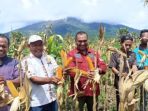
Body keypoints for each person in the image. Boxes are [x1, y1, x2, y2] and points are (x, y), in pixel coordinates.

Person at [67, 31, 107, 111]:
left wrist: (97, 70)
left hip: (93, 91)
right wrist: (85, 74)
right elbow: (70, 70)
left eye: (84, 41)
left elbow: (103, 66)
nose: (82, 43)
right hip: (78, 91)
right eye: (80, 41)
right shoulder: (71, 54)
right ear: (76, 41)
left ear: (87, 40)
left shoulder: (94, 53)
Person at [21, 35, 60, 111]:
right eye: (34, 45)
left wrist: (63, 72)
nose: (38, 48)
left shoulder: (49, 58)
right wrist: (51, 80)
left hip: (53, 99)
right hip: (37, 103)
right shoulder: (26, 61)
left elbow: (57, 70)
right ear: (29, 46)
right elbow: (33, 79)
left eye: (40, 45)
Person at [109, 35, 138, 111]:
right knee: (120, 101)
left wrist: (134, 73)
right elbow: (112, 67)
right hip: (119, 81)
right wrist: (120, 73)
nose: (128, 47)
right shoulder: (115, 54)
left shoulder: (133, 54)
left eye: (130, 45)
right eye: (126, 44)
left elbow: (134, 66)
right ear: (121, 43)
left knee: (130, 101)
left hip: (130, 82)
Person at [0, 34, 19, 111]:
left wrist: (6, 82)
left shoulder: (14, 63)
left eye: (4, 46)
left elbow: (21, 80)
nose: (1, 48)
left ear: (8, 47)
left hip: (9, 106)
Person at [133, 29, 148, 111]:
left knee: (146, 97)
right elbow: (135, 65)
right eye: (144, 36)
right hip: (139, 76)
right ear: (140, 38)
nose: (146, 38)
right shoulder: (135, 51)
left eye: (147, 37)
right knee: (140, 96)